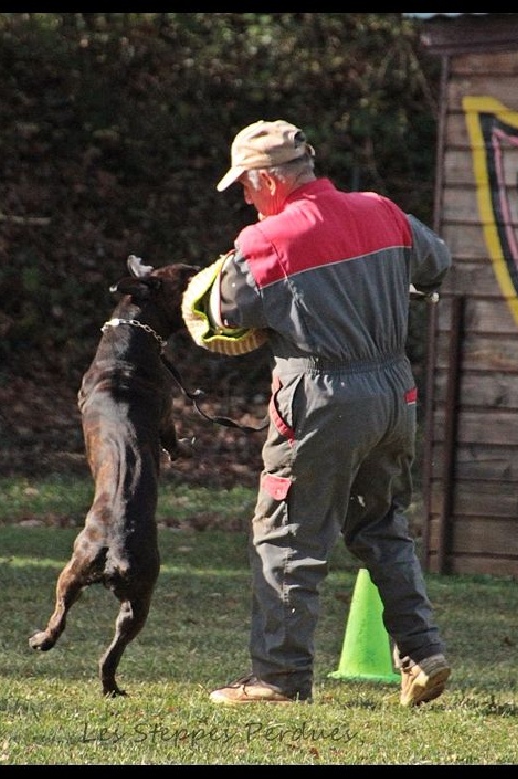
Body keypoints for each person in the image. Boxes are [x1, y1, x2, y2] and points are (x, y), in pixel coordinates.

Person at [182, 119, 452, 706]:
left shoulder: (267, 242)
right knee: (382, 527)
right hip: (393, 392)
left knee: (287, 535)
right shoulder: (382, 211)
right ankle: (423, 653)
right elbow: (436, 264)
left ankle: (279, 679)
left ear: (268, 180)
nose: (247, 199)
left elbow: (223, 312)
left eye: (246, 187)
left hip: (322, 397)